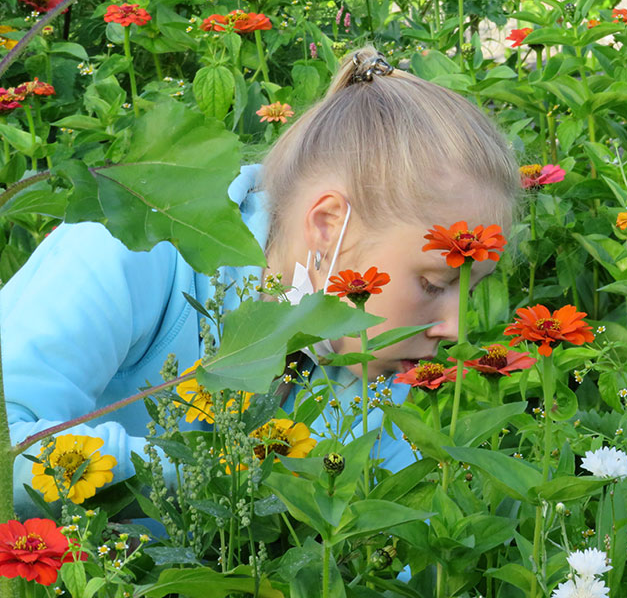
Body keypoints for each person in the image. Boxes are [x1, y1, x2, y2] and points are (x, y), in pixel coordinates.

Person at [0, 46, 521, 512]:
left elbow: (369, 542)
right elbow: (9, 448)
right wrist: (230, 478)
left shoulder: (377, 362)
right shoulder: (132, 245)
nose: (455, 328)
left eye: (471, 290)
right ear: (328, 223)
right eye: (433, 283)